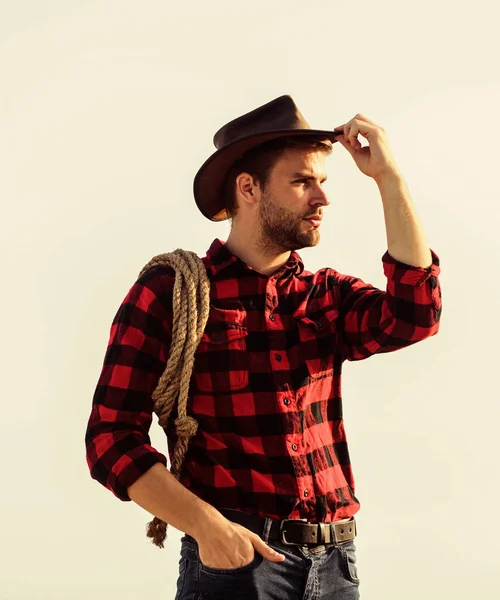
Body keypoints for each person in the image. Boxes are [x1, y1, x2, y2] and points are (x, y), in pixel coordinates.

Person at [85, 95, 442, 599]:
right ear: (248, 188)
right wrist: (210, 529)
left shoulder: (324, 295)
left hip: (339, 565)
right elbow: (110, 439)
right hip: (239, 565)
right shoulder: (173, 291)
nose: (322, 198)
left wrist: (390, 179)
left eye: (323, 182)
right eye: (301, 182)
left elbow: (416, 314)